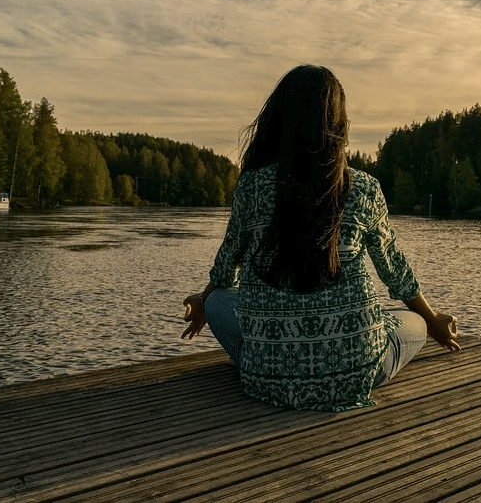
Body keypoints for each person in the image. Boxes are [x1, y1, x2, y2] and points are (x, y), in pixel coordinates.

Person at [182, 65, 460, 411]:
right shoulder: (364, 188)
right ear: (338, 125)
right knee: (413, 321)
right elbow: (394, 271)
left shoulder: (252, 186)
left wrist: (204, 300)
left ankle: (269, 360)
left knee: (220, 301)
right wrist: (433, 320)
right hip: (355, 374)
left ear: (278, 120)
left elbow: (226, 267)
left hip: (267, 378)